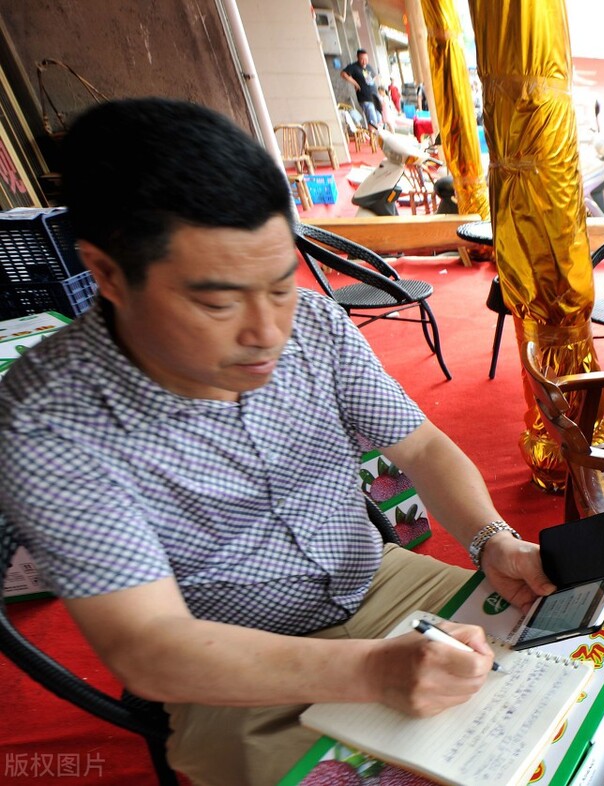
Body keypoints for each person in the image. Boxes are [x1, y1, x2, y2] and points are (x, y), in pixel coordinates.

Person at [0, 98, 554, 786]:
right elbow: (149, 646)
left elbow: (423, 449)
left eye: (279, 285)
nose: (268, 331)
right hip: (227, 664)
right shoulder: (52, 421)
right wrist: (372, 671)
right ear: (108, 275)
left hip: (377, 581)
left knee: (558, 696)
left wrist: (491, 541)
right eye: (218, 302)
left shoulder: (316, 324)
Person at [341, 48, 382, 129]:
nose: (364, 61)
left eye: (366, 59)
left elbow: (373, 77)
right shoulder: (354, 67)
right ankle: (374, 139)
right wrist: (355, 83)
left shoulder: (369, 67)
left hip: (374, 97)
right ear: (357, 58)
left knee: (378, 118)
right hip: (365, 98)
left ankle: (376, 137)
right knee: (372, 120)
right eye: (362, 59)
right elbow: (343, 74)